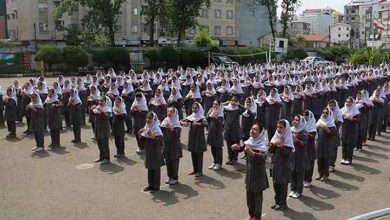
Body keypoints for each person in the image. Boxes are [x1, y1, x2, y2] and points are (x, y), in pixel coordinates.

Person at [232, 123, 269, 220]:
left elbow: (264, 157)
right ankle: (251, 214)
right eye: (252, 129)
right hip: (250, 175)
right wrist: (236, 147)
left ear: (260, 133)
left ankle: (257, 216)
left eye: (255, 129)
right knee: (249, 197)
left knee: (257, 198)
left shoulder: (262, 144)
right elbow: (241, 148)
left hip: (258, 175)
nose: (252, 131)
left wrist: (252, 153)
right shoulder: (249, 141)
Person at [269, 119, 294, 211]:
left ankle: (282, 203)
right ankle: (277, 201)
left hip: (284, 166)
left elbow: (288, 154)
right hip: (275, 164)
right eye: (278, 127)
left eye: (281, 127)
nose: (279, 129)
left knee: (283, 185)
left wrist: (282, 146)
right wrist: (274, 144)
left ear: (286, 128)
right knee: (276, 184)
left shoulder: (288, 138)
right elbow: (270, 151)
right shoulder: (276, 137)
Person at [139, 112, 165, 193]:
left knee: (156, 168)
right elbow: (142, 140)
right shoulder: (146, 127)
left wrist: (152, 136)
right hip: (149, 151)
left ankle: (156, 186)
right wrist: (140, 133)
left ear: (153, 119)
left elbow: (160, 142)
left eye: (150, 118)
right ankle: (150, 185)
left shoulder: (156, 129)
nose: (148, 120)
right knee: (150, 168)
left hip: (156, 152)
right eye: (147, 118)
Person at [181, 102, 207, 177]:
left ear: (199, 109)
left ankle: (199, 171)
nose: (195, 109)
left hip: (199, 138)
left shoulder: (202, 117)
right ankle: (195, 169)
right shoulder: (191, 117)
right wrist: (183, 123)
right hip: (192, 137)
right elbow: (185, 122)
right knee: (193, 153)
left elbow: (206, 124)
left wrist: (199, 124)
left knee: (199, 154)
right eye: (193, 108)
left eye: (196, 108)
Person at [161, 107, 182, 185]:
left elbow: (177, 135)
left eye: (171, 112)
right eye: (168, 111)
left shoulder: (176, 123)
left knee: (174, 162)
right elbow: (160, 131)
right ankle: (169, 176)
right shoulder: (165, 121)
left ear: (174, 113)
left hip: (174, 146)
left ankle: (175, 177)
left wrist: (170, 128)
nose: (169, 113)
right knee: (168, 161)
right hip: (167, 145)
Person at [289, 115, 308, 199]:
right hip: (292, 155)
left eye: (297, 120)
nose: (295, 121)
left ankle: (298, 191)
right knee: (292, 172)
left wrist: (296, 140)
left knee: (299, 174)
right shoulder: (290, 130)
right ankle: (293, 189)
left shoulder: (303, 131)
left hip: (300, 156)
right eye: (294, 120)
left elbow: (304, 144)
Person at [315, 107, 336, 181]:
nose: (324, 114)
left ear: (329, 114)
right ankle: (320, 173)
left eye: (326, 113)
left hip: (327, 145)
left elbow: (332, 135)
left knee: (326, 160)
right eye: (323, 113)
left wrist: (326, 129)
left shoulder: (331, 124)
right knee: (319, 160)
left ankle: (325, 174)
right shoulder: (319, 122)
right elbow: (315, 132)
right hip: (320, 144)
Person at [92, 96, 112, 164]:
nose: (100, 102)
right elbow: (93, 115)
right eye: (99, 101)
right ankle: (101, 157)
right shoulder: (97, 107)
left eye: (102, 101)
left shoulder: (108, 108)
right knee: (99, 143)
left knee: (104, 144)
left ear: (105, 102)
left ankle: (107, 158)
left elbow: (107, 116)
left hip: (104, 128)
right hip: (98, 127)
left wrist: (101, 111)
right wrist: (91, 109)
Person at [340, 97, 360, 165]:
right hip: (344, 128)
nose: (348, 103)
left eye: (349, 102)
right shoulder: (342, 110)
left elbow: (357, 120)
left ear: (352, 103)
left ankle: (349, 159)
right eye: (347, 102)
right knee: (344, 143)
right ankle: (343, 157)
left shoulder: (355, 110)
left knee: (349, 144)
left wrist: (351, 118)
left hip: (352, 129)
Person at [206, 100, 224, 170]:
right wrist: (208, 115)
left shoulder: (220, 114)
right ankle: (214, 161)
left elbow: (220, 123)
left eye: (216, 104)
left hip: (217, 133)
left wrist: (216, 116)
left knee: (218, 148)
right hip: (211, 132)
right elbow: (207, 121)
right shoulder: (211, 112)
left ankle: (218, 163)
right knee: (212, 147)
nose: (214, 105)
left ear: (219, 106)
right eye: (213, 104)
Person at [327, 100, 343, 172]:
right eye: (330, 105)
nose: (332, 107)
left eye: (333, 105)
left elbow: (339, 123)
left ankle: (332, 164)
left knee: (333, 149)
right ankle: (327, 163)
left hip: (334, 133)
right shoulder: (326, 112)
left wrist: (334, 122)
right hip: (327, 133)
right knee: (327, 149)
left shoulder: (338, 112)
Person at [303, 110, 317, 188]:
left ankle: (308, 180)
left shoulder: (312, 125)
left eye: (306, 115)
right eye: (304, 115)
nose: (305, 117)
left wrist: (305, 134)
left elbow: (312, 137)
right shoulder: (301, 124)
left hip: (310, 148)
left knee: (310, 164)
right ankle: (303, 178)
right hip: (303, 148)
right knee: (303, 164)